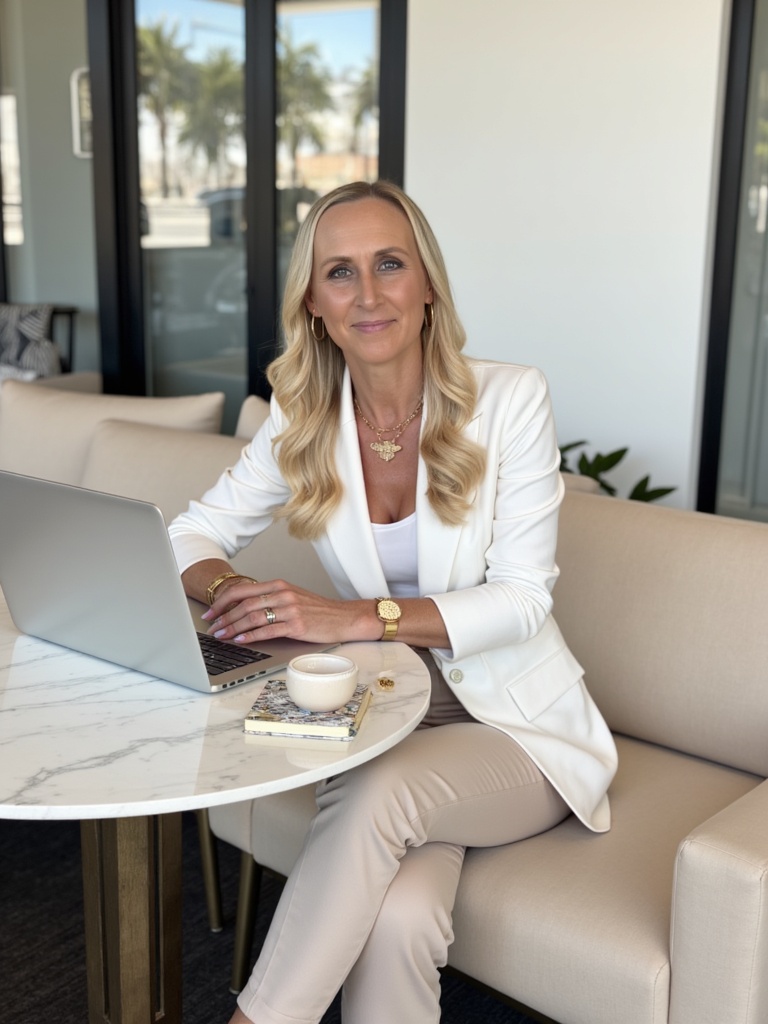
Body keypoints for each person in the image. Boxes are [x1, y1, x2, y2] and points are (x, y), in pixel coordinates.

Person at [168, 180, 618, 1024]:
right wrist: (236, 593)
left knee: (375, 796)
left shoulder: (510, 399)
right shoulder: (304, 419)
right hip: (392, 709)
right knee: (399, 915)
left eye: (389, 264)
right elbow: (187, 536)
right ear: (313, 303)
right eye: (340, 272)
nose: (368, 294)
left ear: (428, 285)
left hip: (518, 728)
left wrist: (352, 618)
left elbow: (522, 601)